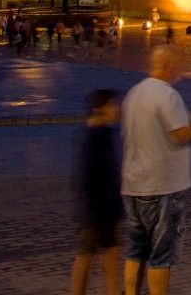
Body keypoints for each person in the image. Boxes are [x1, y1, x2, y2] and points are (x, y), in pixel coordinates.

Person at [122, 45, 191, 294]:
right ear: (167, 65)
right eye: (178, 64)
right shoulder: (167, 95)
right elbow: (180, 135)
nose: (180, 70)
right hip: (162, 186)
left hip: (132, 185)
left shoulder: (134, 93)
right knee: (161, 255)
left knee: (135, 251)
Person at [71, 89, 122, 295]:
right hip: (94, 208)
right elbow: (85, 176)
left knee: (110, 255)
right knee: (86, 256)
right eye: (113, 104)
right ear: (99, 108)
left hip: (105, 206)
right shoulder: (92, 138)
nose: (117, 108)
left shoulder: (104, 134)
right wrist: (91, 208)